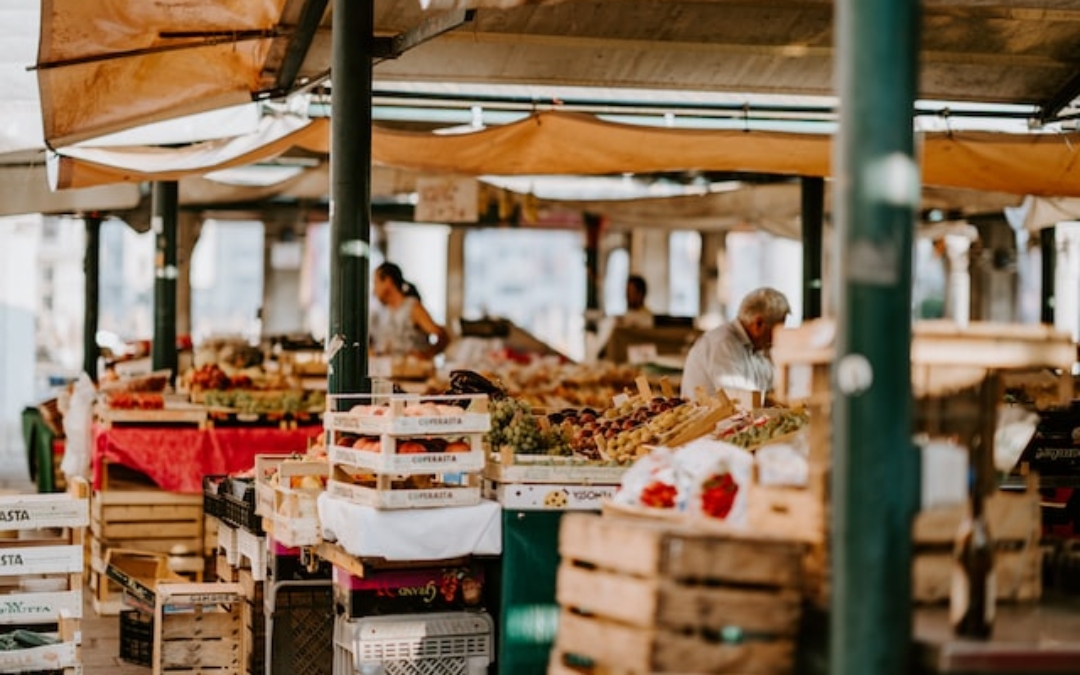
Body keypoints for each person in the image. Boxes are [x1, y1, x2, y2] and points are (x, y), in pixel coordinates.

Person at [680, 287, 791, 399]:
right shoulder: (723, 344)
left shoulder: (755, 348)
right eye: (777, 328)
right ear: (759, 323)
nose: (778, 336)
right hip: (715, 416)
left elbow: (775, 385)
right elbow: (742, 401)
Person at [370, 262, 450, 359]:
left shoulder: (413, 308)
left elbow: (443, 336)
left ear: (388, 281)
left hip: (413, 372)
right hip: (391, 371)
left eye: (376, 282)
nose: (374, 290)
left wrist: (427, 354)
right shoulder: (384, 312)